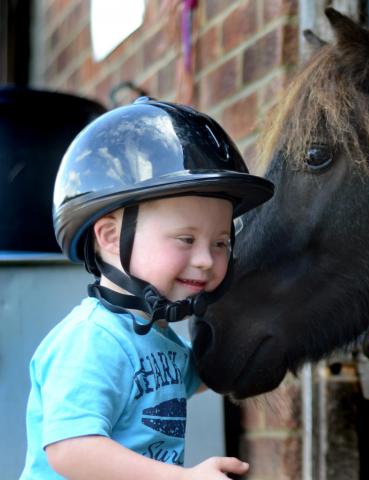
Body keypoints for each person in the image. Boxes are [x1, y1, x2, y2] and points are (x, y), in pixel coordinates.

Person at [19, 97, 274, 479]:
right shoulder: (91, 340)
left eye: (220, 242)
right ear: (110, 237)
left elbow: (209, 373)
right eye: (186, 239)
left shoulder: (159, 338)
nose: (206, 259)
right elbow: (71, 449)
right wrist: (183, 477)